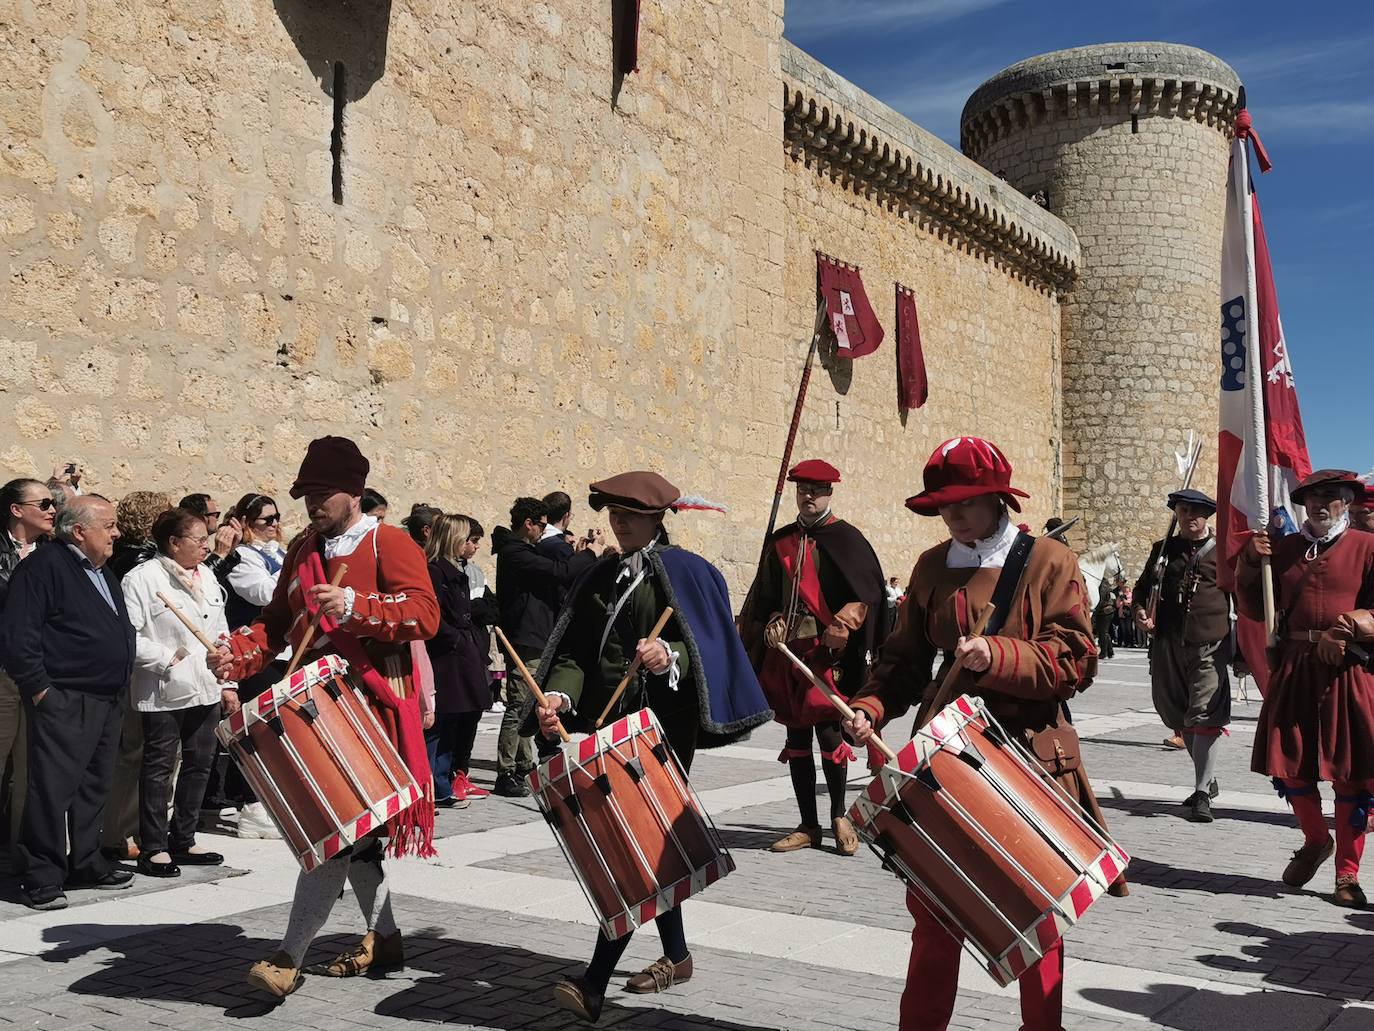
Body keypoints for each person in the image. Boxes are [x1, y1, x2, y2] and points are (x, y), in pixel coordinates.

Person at [843, 436, 1122, 1031]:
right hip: (944, 762)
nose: (952, 515)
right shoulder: (929, 566)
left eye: (964, 502)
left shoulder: (1049, 561)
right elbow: (904, 662)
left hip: (1027, 760)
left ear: (999, 498)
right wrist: (870, 705)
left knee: (1038, 917)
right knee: (934, 913)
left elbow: (1076, 661)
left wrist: (997, 655)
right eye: (943, 506)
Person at [535, 471, 772, 1021]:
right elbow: (574, 653)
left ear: (655, 519)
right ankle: (677, 954)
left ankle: (593, 982)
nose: (618, 524)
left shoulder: (689, 573)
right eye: (613, 514)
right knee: (643, 844)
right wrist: (559, 698)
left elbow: (708, 646)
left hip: (663, 729)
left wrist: (671, 658)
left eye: (630, 516)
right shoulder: (598, 575)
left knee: (635, 845)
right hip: (603, 725)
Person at [207, 436, 439, 997]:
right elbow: (276, 620)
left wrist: (359, 609)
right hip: (316, 708)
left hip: (372, 705)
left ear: (354, 493)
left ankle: (289, 956)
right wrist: (238, 651)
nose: (313, 503)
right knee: (350, 836)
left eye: (323, 493)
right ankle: (384, 938)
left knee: (335, 835)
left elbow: (426, 616)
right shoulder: (303, 549)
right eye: (306, 493)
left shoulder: (391, 542)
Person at [737, 459, 884, 856]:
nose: (808, 496)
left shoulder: (848, 539)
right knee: (796, 735)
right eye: (803, 489)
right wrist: (771, 620)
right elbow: (766, 594)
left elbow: (868, 592)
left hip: (827, 653)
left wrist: (845, 621)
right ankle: (807, 824)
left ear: (830, 493)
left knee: (831, 732)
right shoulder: (781, 540)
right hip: (788, 652)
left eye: (816, 490)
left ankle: (839, 815)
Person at [1241, 469, 1374, 907]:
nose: (1319, 505)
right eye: (1311, 498)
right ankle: (1316, 840)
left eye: (1330, 497)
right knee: (1291, 766)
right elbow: (1258, 606)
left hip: (1346, 670)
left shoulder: (1367, 547)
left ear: (1345, 502)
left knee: (1349, 776)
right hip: (1296, 668)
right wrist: (1249, 562)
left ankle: (1348, 876)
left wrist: (1349, 626)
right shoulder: (1285, 550)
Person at [2, 495, 136, 910]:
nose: (117, 533)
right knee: (50, 789)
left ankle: (85, 861)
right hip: (65, 697)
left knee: (94, 785)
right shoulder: (43, 567)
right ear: (80, 531)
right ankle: (42, 874)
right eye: (109, 526)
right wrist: (41, 690)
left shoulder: (102, 571)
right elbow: (19, 635)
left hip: (106, 697)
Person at [121, 508, 234, 877]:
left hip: (206, 685)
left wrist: (228, 678)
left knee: (200, 763)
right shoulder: (141, 578)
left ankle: (183, 837)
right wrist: (169, 657)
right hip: (164, 687)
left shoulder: (207, 576)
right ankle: (152, 846)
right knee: (159, 766)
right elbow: (129, 637)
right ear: (173, 542)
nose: (207, 545)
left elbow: (221, 630)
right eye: (199, 539)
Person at [491, 496, 605, 797]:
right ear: (527, 524)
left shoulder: (524, 550)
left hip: (536, 635)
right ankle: (506, 771)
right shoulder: (513, 551)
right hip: (524, 638)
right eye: (541, 526)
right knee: (519, 703)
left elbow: (558, 570)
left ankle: (525, 763)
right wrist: (590, 554)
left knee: (530, 700)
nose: (543, 532)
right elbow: (560, 572)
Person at [1131, 488, 1231, 822]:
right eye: (1184, 511)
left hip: (1209, 645)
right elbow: (1143, 589)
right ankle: (1208, 777)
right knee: (1177, 714)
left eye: (1196, 511)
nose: (1190, 517)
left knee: (1204, 715)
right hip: (1167, 643)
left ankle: (1202, 792)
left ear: (1207, 516)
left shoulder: (1224, 553)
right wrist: (1140, 612)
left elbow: (1242, 599)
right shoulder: (1163, 551)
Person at [100, 489, 173, 863]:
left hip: (138, 666)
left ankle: (134, 828)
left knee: (139, 752)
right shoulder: (139, 563)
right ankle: (117, 833)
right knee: (134, 752)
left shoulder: (121, 557)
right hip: (141, 666)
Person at [221, 493, 290, 839]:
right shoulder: (242, 557)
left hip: (280, 653)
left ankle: (267, 800)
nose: (275, 524)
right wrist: (296, 579)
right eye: (266, 519)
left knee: (277, 729)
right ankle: (252, 805)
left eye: (277, 517)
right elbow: (262, 593)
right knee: (258, 729)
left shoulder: (278, 553)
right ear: (247, 523)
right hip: (252, 654)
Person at [0, 478, 56, 854]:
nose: (53, 510)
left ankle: (17, 847)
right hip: (3, 670)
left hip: (41, 673)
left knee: (30, 768)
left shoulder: (54, 553)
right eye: (45, 503)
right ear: (17, 510)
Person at [423, 514, 491, 807]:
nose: (470, 544)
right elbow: (433, 615)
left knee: (455, 720)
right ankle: (432, 784)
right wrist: (454, 638)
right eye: (467, 538)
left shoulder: (456, 571)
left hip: (461, 652)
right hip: (446, 657)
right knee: (440, 721)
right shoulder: (435, 572)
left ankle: (443, 779)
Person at [180, 493, 242, 573]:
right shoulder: (188, 547)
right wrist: (218, 554)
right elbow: (201, 579)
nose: (217, 519)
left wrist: (230, 550)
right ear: (202, 517)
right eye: (215, 515)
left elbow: (221, 576)